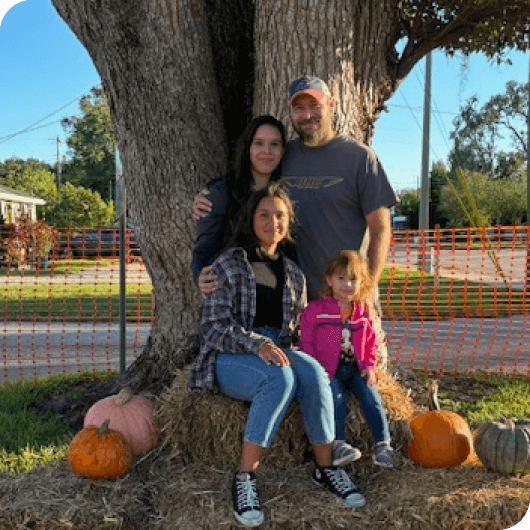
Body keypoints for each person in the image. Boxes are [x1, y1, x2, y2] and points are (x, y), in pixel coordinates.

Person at [189, 183, 366, 528]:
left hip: (278, 349)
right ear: (252, 219)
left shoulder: (294, 275)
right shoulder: (227, 264)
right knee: (279, 377)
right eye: (264, 215)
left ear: (288, 222)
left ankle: (326, 469)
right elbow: (211, 329)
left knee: (315, 373)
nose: (273, 222)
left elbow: (296, 334)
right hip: (229, 355)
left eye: (280, 215)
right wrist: (256, 344)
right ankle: (244, 479)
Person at [193, 75, 397, 367]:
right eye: (298, 108)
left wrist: (365, 290)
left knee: (357, 380)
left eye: (314, 105)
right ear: (291, 114)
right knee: (309, 382)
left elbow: (381, 229)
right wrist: (208, 196)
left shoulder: (360, 159)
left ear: (332, 105)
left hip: (346, 297)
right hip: (298, 304)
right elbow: (249, 180)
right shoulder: (283, 157)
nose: (307, 115)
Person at [299, 250, 394, 469]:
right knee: (337, 397)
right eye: (341, 278)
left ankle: (383, 443)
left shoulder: (362, 312)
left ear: (361, 283)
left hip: (355, 366)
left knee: (371, 395)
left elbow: (370, 342)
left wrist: (370, 366)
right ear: (329, 280)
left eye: (353, 279)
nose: (347, 284)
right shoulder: (315, 311)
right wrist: (315, 369)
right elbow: (306, 343)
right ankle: (339, 444)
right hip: (327, 368)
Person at [192, 114, 287, 292]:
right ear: (248, 148)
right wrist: (200, 275)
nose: (266, 151)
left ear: (282, 151)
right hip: (235, 294)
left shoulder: (284, 197)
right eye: (259, 143)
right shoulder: (221, 193)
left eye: (274, 144)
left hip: (275, 295)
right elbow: (204, 248)